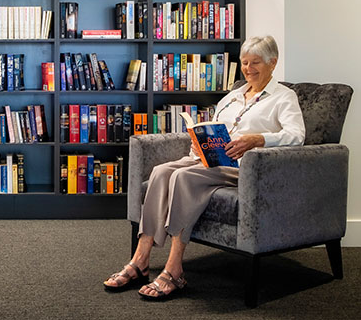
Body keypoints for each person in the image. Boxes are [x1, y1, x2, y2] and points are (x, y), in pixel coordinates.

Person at [103, 35, 305, 300]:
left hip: (243, 166)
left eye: (255, 62)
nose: (247, 69)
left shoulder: (283, 97)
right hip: (208, 160)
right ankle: (140, 260)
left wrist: (258, 139)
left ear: (273, 62)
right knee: (161, 172)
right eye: (244, 63)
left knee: (183, 177)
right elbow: (214, 128)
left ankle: (175, 270)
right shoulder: (232, 97)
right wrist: (198, 145)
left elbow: (297, 135)